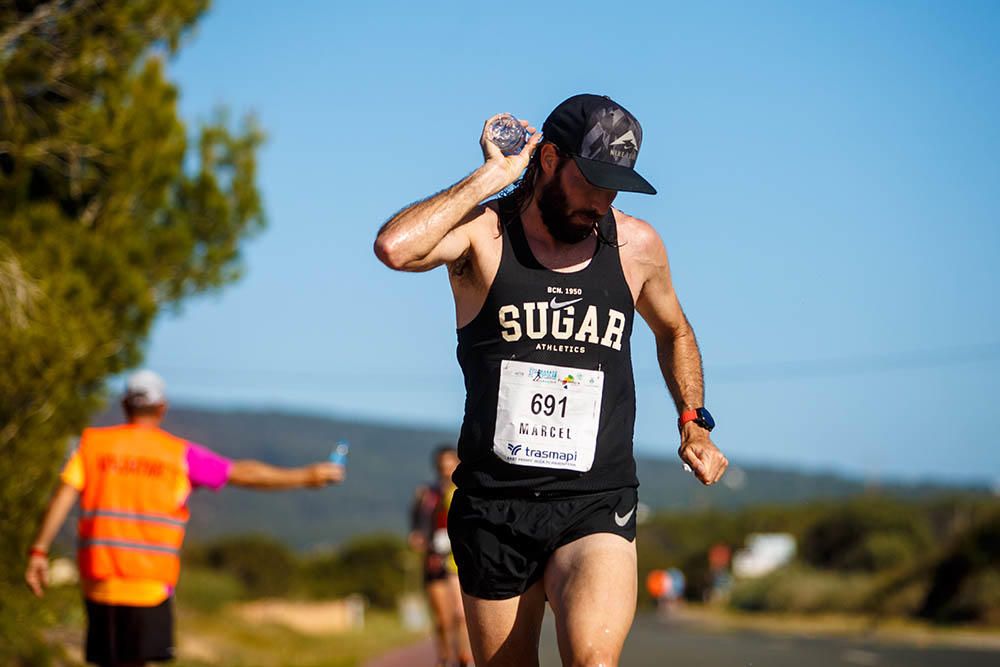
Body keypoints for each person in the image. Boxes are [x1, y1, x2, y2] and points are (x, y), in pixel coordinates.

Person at [375, 94, 728, 667]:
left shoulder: (636, 245)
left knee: (593, 659)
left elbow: (675, 330)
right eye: (591, 181)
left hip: (595, 499)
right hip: (494, 505)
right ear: (548, 160)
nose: (602, 200)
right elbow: (394, 248)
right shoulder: (485, 238)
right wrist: (492, 174)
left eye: (615, 186)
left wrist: (693, 421)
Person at [24, 370, 345, 667]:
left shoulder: (92, 447)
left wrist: (39, 551)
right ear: (162, 408)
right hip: (149, 584)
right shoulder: (178, 455)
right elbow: (242, 473)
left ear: (125, 404)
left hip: (100, 579)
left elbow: (63, 496)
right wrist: (305, 476)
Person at [408, 445, 473, 667]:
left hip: (458, 559)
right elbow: (418, 524)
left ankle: (464, 656)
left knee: (461, 615)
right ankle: (444, 657)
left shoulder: (467, 491)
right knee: (443, 619)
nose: (446, 470)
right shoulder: (427, 494)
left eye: (450, 465)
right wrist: (418, 537)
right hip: (434, 559)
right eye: (442, 466)